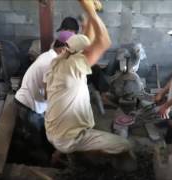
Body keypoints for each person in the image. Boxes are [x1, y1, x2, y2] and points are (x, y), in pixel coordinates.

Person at [45, 0, 136, 171]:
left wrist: (87, 18)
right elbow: (104, 42)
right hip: (71, 139)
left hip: (54, 133)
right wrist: (91, 10)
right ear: (78, 52)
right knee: (124, 145)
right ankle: (85, 160)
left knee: (83, 119)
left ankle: (58, 155)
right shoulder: (74, 66)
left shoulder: (58, 62)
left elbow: (86, 41)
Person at [14, 31, 74, 157]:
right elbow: (48, 95)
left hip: (33, 103)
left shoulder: (48, 55)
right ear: (63, 49)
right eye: (71, 53)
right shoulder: (51, 63)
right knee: (36, 144)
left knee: (42, 137)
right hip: (29, 107)